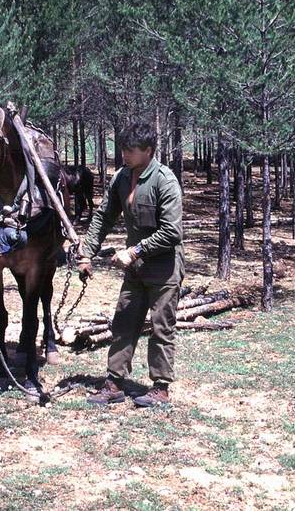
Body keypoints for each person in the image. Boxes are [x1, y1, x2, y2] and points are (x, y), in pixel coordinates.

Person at [78, 121, 184, 407]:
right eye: (123, 148)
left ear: (148, 151)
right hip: (135, 269)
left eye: (131, 150)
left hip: (164, 269)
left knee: (162, 328)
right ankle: (114, 383)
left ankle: (160, 388)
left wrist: (135, 250)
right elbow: (103, 217)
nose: (124, 154)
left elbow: (173, 232)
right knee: (124, 322)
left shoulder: (165, 180)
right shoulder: (122, 178)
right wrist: (86, 253)